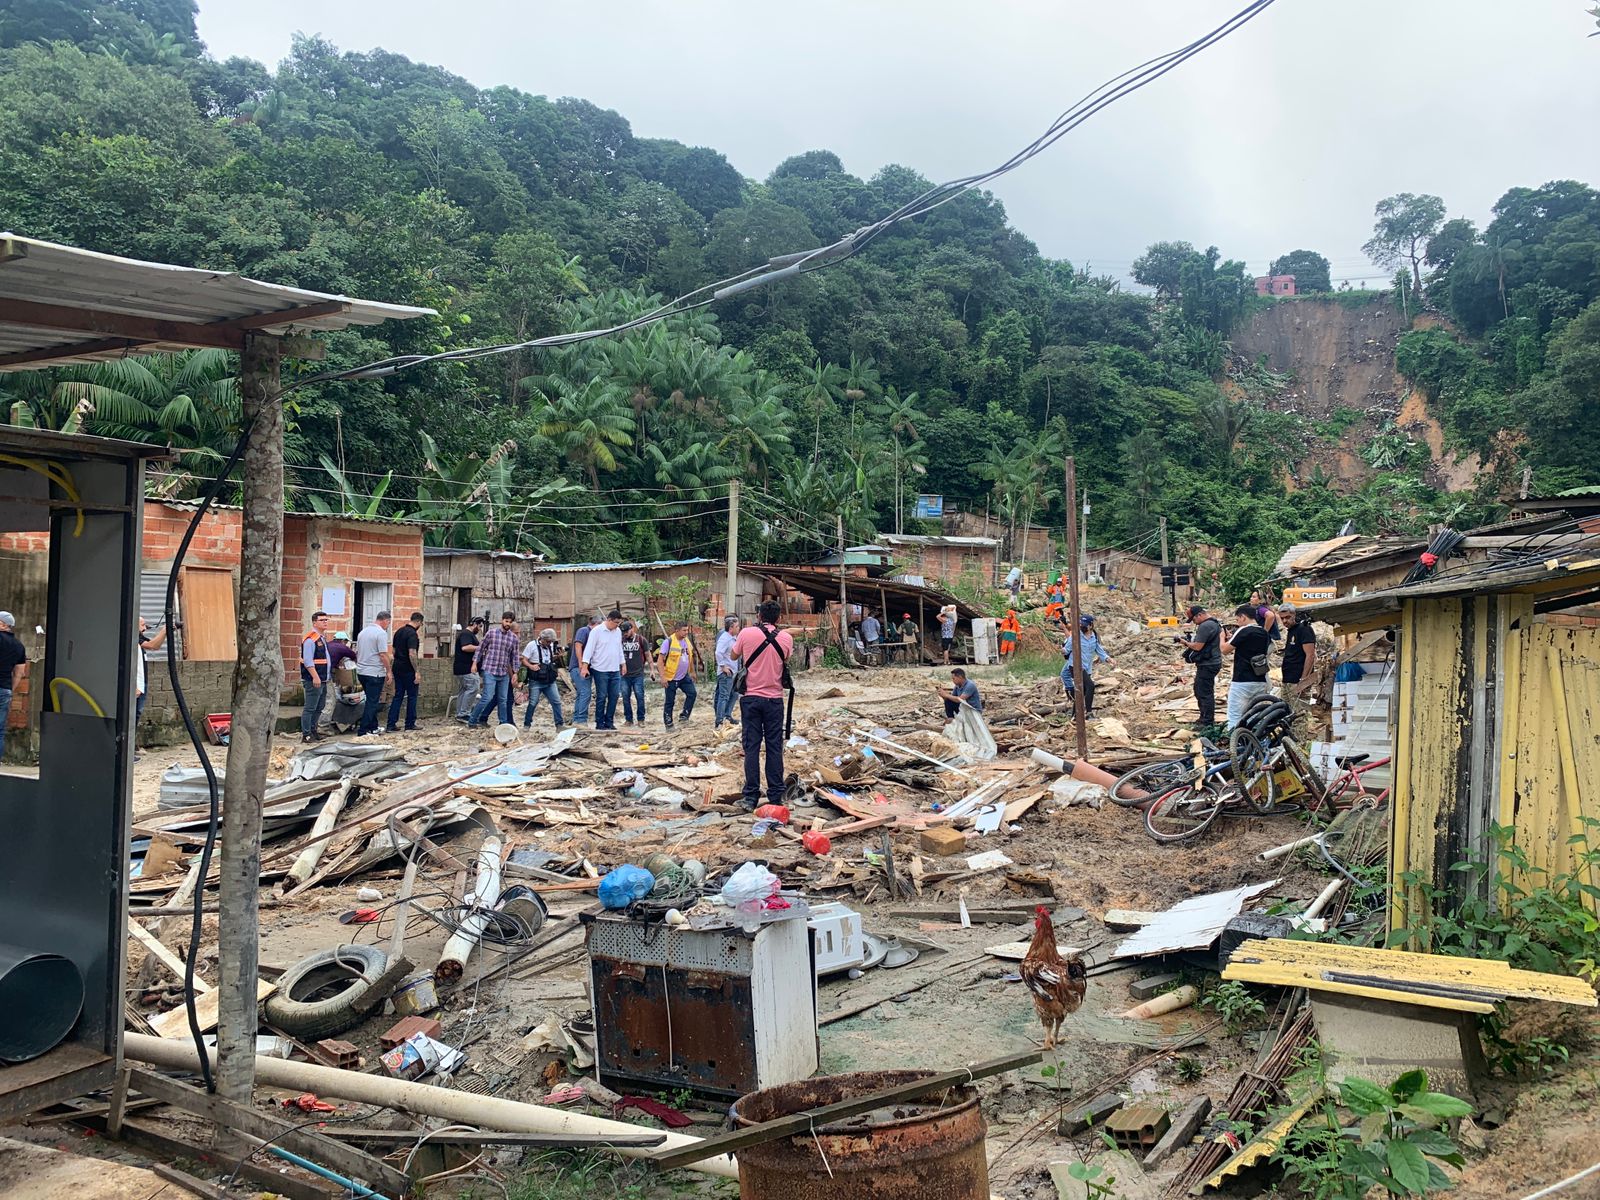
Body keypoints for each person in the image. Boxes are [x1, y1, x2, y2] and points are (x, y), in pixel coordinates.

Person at [731, 600, 793, 810]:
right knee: (774, 747)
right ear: (779, 618)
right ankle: (776, 795)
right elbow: (786, 658)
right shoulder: (786, 638)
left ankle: (750, 796)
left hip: (751, 698)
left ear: (759, 616)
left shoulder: (746, 633)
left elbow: (733, 655)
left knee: (751, 747)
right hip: (774, 700)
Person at [1222, 603, 1274, 727]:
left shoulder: (1244, 630)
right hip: (1260, 680)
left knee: (1235, 717)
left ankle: (1234, 738)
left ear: (1243, 617)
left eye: (1238, 619)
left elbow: (1224, 650)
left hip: (1242, 681)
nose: (1238, 623)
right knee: (1255, 717)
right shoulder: (1264, 632)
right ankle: (1255, 738)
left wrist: (1221, 637)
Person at [468, 611, 520, 727]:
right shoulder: (491, 633)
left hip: (503, 672)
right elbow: (480, 649)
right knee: (487, 697)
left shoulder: (513, 639)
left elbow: (515, 657)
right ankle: (472, 720)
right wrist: (474, 663)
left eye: (510, 622)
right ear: (502, 620)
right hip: (490, 669)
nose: (507, 624)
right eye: (506, 621)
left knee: (503, 699)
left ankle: (503, 723)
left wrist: (515, 673)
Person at [1178, 603, 1223, 729]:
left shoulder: (1205, 626)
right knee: (1201, 690)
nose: (1194, 622)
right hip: (1213, 662)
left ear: (1200, 615)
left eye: (1194, 619)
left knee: (1204, 692)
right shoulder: (1215, 623)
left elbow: (1198, 646)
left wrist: (1185, 642)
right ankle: (1204, 718)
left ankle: (1207, 722)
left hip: (1208, 663)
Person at [1061, 613, 1114, 715]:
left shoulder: (1094, 637)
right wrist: (1062, 650)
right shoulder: (1076, 635)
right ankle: (1089, 713)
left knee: (1082, 691)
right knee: (1090, 686)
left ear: (1090, 625)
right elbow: (1067, 649)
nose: (1081, 626)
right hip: (1075, 666)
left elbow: (1099, 650)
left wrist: (1108, 659)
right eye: (1080, 624)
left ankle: (1074, 715)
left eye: (1084, 625)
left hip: (1086, 667)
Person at [582, 610, 625, 731]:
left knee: (614, 695)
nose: (617, 625)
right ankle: (599, 722)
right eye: (616, 622)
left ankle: (609, 722)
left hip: (614, 668)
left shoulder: (618, 631)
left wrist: (623, 663)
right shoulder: (597, 631)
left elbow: (619, 648)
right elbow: (589, 649)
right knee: (601, 696)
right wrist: (585, 666)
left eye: (619, 623)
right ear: (609, 620)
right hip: (600, 669)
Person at [355, 610, 392, 735]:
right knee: (372, 702)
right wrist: (389, 671)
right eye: (388, 623)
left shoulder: (363, 632)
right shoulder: (381, 633)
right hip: (374, 672)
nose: (388, 626)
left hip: (362, 671)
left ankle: (373, 727)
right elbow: (383, 655)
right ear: (385, 620)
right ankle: (363, 730)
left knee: (370, 700)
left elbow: (357, 652)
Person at [656, 618, 699, 728]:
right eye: (684, 630)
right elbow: (660, 661)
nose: (686, 632)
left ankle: (684, 715)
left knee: (692, 693)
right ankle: (668, 723)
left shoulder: (687, 641)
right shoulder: (668, 642)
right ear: (677, 630)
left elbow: (690, 657)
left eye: (687, 630)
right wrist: (663, 677)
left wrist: (692, 671)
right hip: (671, 677)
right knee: (670, 701)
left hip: (684, 676)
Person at [385, 611, 424, 732]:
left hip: (397, 667)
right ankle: (410, 723)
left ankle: (391, 724)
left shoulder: (399, 632)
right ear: (418, 621)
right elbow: (412, 653)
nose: (420, 626)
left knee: (398, 696)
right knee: (412, 696)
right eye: (421, 624)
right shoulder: (412, 634)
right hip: (408, 669)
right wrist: (416, 671)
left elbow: (394, 651)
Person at [521, 627, 566, 730]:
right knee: (533, 702)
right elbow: (524, 659)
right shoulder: (531, 645)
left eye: (551, 642)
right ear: (543, 639)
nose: (550, 643)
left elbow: (549, 659)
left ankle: (559, 724)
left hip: (549, 680)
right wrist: (531, 666)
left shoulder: (551, 646)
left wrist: (558, 657)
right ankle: (527, 724)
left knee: (556, 701)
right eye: (548, 641)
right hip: (536, 680)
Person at [299, 610, 332, 744]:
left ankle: (313, 730)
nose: (325, 622)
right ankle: (306, 734)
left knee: (320, 706)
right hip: (313, 679)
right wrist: (315, 677)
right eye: (322, 620)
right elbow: (308, 661)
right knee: (310, 707)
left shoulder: (321, 638)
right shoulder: (311, 639)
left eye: (326, 620)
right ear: (314, 623)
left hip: (323, 678)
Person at [134, 615, 169, 731]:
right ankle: (129, 738)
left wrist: (165, 633)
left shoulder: (140, 637)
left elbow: (156, 646)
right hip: (136, 683)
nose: (145, 628)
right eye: (142, 625)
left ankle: (132, 737)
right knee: (133, 712)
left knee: (138, 712)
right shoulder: (134, 638)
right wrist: (164, 630)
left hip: (142, 682)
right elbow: (152, 645)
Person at [0, 612, 25, 761]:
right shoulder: (18, 646)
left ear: (3, 624)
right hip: (4, 689)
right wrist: (10, 689)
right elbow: (19, 673)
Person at [1279, 604, 1318, 692]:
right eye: (1282, 618)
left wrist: (1303, 680)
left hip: (1298, 681)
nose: (1284, 621)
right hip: (1288, 679)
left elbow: (1310, 655)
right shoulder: (1291, 630)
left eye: (1287, 617)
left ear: (1294, 615)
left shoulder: (1304, 629)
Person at [569, 615, 599, 726]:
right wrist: (581, 665)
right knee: (586, 693)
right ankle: (581, 720)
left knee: (581, 693)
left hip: (585, 668)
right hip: (578, 668)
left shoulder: (592, 634)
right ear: (596, 624)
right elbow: (578, 646)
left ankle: (577, 719)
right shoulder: (584, 631)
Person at [452, 617, 484, 722]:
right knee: (472, 689)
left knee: (464, 690)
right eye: (479, 626)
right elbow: (465, 647)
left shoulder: (467, 634)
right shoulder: (466, 634)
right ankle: (464, 713)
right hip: (467, 669)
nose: (480, 629)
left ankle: (460, 713)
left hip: (461, 668)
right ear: (474, 624)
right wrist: (481, 647)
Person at [713, 615, 742, 729]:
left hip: (733, 671)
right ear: (731, 628)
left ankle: (727, 716)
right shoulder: (725, 638)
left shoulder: (733, 637)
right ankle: (720, 720)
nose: (738, 628)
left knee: (734, 694)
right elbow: (718, 652)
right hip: (726, 672)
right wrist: (723, 666)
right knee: (724, 696)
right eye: (737, 626)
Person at [619, 619, 648, 727]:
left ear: (632, 629)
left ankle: (641, 719)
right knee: (625, 697)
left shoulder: (641, 640)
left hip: (638, 674)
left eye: (627, 631)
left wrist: (652, 670)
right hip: (624, 674)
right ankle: (628, 719)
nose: (625, 634)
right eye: (623, 632)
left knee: (639, 696)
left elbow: (648, 655)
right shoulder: (620, 640)